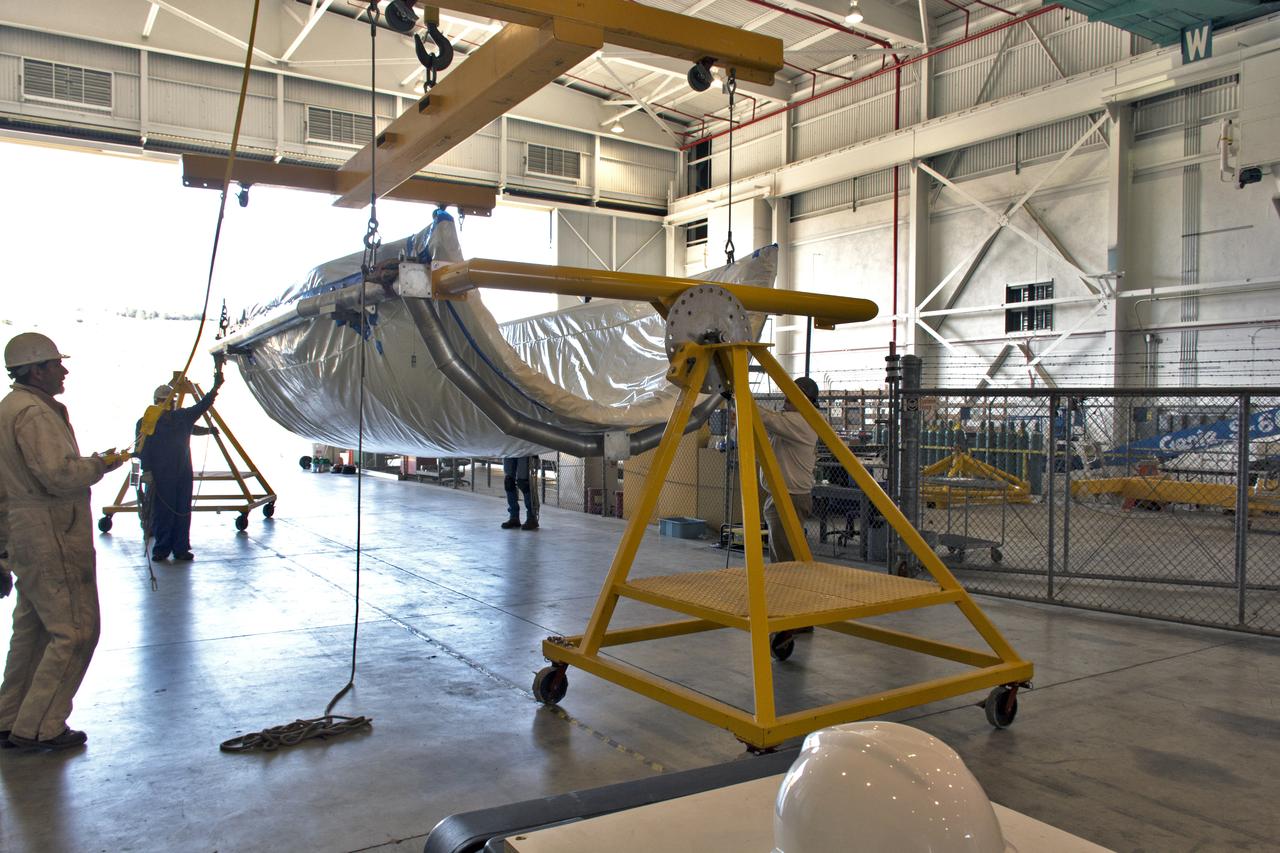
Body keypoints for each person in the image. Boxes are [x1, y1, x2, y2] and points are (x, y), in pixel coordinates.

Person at [0, 332, 123, 751]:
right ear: (36, 370)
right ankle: (41, 727)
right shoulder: (33, 414)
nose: (63, 370)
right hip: (51, 530)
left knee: (33, 632)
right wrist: (101, 464)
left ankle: (9, 715)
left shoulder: (10, 409)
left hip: (26, 531)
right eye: (56, 364)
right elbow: (59, 476)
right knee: (76, 630)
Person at [137, 359, 224, 561]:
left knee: (181, 510)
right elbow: (142, 449)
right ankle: (164, 548)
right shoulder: (152, 421)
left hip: (180, 473)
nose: (166, 405)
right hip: (162, 474)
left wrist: (216, 387)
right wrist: (147, 471)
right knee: (164, 512)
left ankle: (178, 548)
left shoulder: (180, 418)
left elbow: (202, 408)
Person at [758, 376, 820, 564]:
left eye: (790, 398)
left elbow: (767, 418)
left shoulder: (802, 422)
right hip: (783, 495)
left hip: (789, 497)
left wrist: (739, 397)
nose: (785, 401)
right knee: (782, 552)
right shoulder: (795, 421)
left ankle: (787, 591)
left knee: (785, 558)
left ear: (804, 399)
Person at [502, 455, 539, 530]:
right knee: (509, 482)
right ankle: (514, 517)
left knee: (523, 482)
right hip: (509, 448)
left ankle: (532, 517)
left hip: (525, 448)